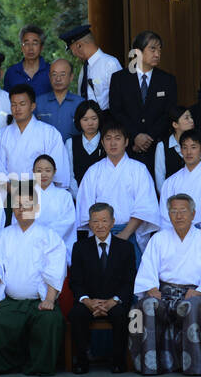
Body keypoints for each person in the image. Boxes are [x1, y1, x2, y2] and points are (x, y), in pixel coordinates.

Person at [131, 194, 201, 376]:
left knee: (193, 306)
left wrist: (199, 292)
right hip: (164, 293)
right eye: (174, 212)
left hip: (193, 293)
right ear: (169, 214)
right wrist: (151, 288)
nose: (179, 216)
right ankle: (150, 364)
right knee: (146, 305)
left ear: (193, 214)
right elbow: (147, 268)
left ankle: (195, 365)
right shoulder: (158, 238)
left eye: (183, 211)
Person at [0, 189, 66, 376]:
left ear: (35, 208)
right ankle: (3, 366)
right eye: (17, 205)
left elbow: (55, 271)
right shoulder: (3, 236)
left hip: (39, 300)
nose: (21, 209)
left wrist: (50, 299)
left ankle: (39, 367)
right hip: (10, 300)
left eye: (26, 205)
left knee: (50, 319)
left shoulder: (50, 237)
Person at [68, 202, 134, 374]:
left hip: (115, 301)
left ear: (112, 222)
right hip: (89, 301)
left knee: (122, 314)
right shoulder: (80, 247)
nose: (100, 225)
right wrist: (87, 301)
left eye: (104, 221)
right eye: (95, 221)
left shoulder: (125, 247)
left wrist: (114, 301)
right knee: (77, 314)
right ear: (89, 223)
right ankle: (82, 361)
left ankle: (118, 361)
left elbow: (129, 281)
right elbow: (75, 280)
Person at [74, 122, 159, 256]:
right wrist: (103, 235)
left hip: (131, 233)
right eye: (108, 138)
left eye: (117, 138)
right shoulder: (93, 171)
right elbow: (86, 209)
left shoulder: (139, 169)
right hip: (100, 235)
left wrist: (125, 234)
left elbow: (145, 207)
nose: (112, 143)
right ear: (102, 142)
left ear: (126, 142)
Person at [108, 29, 177, 168]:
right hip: (128, 147)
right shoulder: (119, 79)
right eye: (152, 49)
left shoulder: (167, 80)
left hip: (157, 147)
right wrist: (135, 136)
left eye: (159, 50)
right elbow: (116, 112)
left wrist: (148, 138)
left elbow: (169, 112)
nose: (157, 54)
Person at [0, 83, 70, 191]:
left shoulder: (50, 133)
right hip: (9, 193)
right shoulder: (1, 136)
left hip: (42, 192)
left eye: (22, 104)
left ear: (32, 106)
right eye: (13, 104)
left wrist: (34, 192)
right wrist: (14, 191)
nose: (17, 108)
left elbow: (57, 169)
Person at [157, 129, 201, 240]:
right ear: (180, 150)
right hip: (175, 237)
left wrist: (197, 233)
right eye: (185, 147)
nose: (188, 152)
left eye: (193, 147)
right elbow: (165, 218)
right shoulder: (171, 182)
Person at [60, 23, 121, 110]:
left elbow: (121, 98)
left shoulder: (110, 64)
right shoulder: (84, 69)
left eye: (72, 50)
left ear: (79, 46)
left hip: (107, 120)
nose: (73, 54)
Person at [32, 154, 77, 261]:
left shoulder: (65, 195)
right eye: (39, 170)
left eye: (47, 170)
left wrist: (42, 236)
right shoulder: (25, 194)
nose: (43, 174)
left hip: (57, 246)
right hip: (31, 248)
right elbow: (19, 221)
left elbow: (68, 222)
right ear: (33, 172)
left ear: (54, 172)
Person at [34, 58, 80, 142]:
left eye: (63, 74)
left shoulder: (80, 103)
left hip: (73, 153)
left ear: (71, 77)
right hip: (45, 153)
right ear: (49, 77)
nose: (58, 79)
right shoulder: (38, 103)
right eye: (54, 74)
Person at [65, 99, 105, 194]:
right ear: (78, 121)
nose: (90, 123)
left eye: (94, 118)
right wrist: (80, 196)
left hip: (104, 198)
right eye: (85, 119)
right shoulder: (70, 143)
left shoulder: (107, 141)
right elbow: (69, 175)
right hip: (77, 197)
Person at [152, 105, 195, 192]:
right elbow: (160, 178)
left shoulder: (199, 143)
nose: (192, 121)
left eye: (191, 117)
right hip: (171, 199)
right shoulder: (162, 146)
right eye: (186, 118)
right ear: (175, 124)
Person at [4, 24, 50, 91]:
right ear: (22, 47)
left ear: (42, 47)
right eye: (26, 43)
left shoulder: (51, 71)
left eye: (35, 43)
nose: (30, 48)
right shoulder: (11, 73)